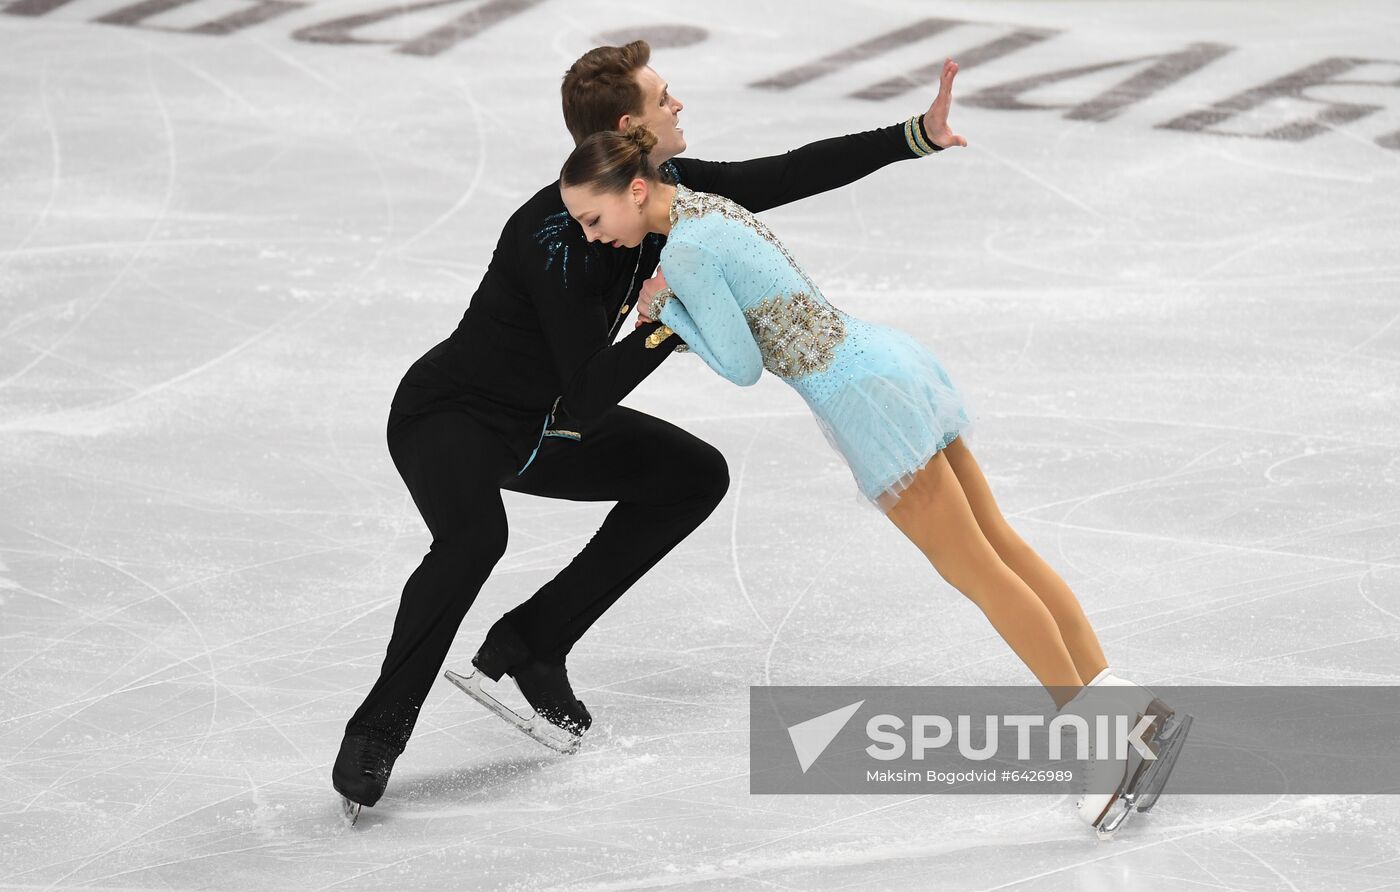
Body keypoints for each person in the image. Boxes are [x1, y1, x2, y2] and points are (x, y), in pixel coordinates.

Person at [332, 39, 965, 816]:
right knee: (474, 539)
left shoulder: (663, 189)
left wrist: (915, 137)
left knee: (690, 477)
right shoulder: (555, 235)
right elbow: (587, 395)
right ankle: (378, 730)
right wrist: (664, 327)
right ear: (630, 122)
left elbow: (786, 173)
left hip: (541, 424)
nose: (679, 105)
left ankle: (535, 638)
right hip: (452, 416)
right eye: (666, 97)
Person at [556, 86, 1192, 837]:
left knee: (977, 571)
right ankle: (1125, 709)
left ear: (635, 190)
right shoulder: (703, 207)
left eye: (594, 220)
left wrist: (666, 313)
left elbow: (740, 365)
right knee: (1001, 545)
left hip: (861, 401)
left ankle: (1101, 745)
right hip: (886, 360)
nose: (594, 237)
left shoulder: (685, 253)